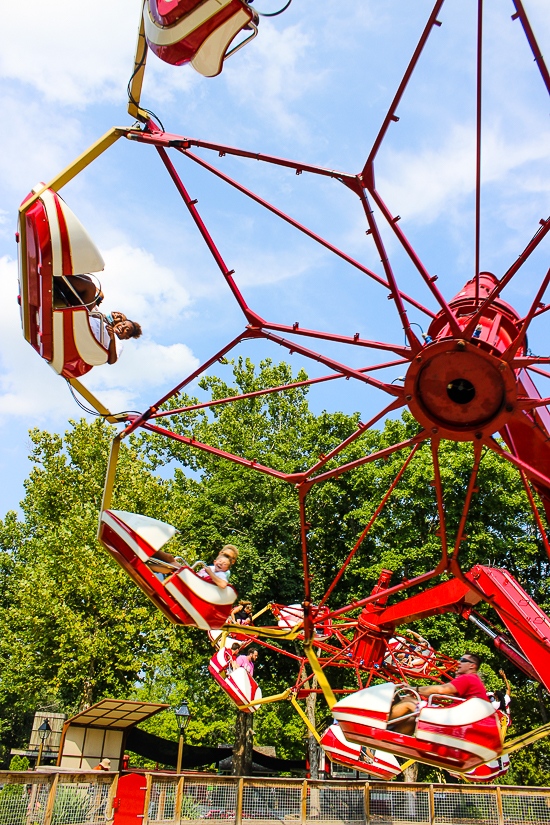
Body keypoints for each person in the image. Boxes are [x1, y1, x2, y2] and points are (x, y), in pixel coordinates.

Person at [389, 652, 489, 735]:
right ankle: (393, 737)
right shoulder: (475, 682)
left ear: (472, 665)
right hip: (459, 722)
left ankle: (378, 723)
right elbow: (440, 696)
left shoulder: (468, 678)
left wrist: (414, 688)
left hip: (452, 721)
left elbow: (441, 690)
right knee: (414, 720)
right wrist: (417, 691)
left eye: (463, 660)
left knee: (409, 702)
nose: (458, 662)